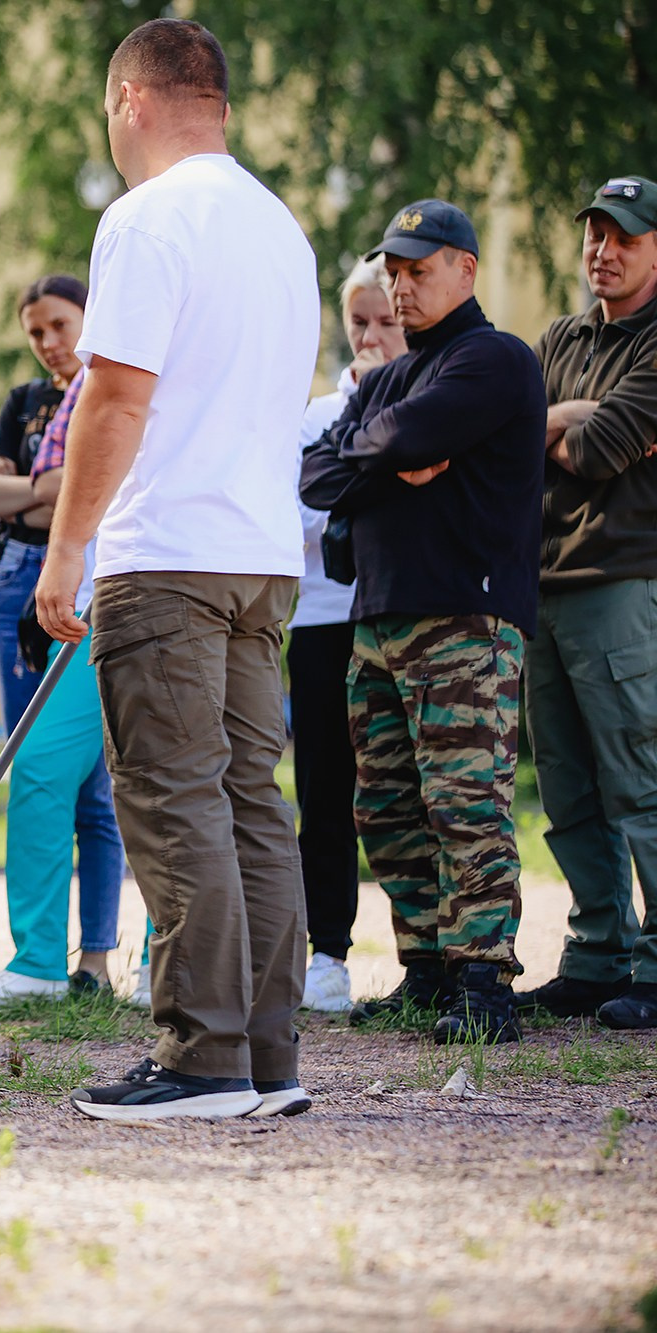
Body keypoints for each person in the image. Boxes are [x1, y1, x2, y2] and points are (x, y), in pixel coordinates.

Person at [33, 20, 320, 1120]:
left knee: (168, 797)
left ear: (128, 102)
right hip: (259, 555)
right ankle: (262, 1055)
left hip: (169, 557)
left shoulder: (145, 218)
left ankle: (199, 1059)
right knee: (251, 801)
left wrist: (67, 550)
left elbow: (115, 395)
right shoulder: (277, 226)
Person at [300, 200, 547, 1045]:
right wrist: (384, 451)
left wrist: (377, 444)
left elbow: (395, 440)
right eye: (394, 272)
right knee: (390, 809)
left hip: (463, 618)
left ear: (465, 269)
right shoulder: (391, 376)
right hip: (377, 619)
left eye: (419, 270)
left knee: (464, 802)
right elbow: (316, 472)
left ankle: (485, 983)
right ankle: (428, 971)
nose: (402, 288)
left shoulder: (495, 360)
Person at [0, 274, 126, 1003]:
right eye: (36, 332)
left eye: (60, 325)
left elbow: (96, 486)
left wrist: (32, 489)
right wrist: (46, 486)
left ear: (90, 319)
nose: (49, 342)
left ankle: (95, 959)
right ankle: (38, 961)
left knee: (101, 790)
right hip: (25, 585)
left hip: (98, 584)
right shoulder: (28, 402)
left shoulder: (114, 387)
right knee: (37, 770)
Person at [518, 178, 657, 1030]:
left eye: (625, 237)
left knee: (639, 781)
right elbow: (512, 441)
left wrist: (564, 422)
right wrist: (565, 417)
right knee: (569, 790)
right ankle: (597, 952)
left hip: (622, 584)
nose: (603, 250)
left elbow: (602, 449)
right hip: (546, 585)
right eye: (594, 234)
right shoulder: (559, 338)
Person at [290, 257, 408, 1013]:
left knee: (406, 791)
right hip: (325, 617)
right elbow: (297, 514)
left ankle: (425, 954)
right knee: (326, 789)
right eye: (359, 321)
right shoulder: (313, 417)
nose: (369, 336)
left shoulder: (437, 400)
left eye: (385, 322)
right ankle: (327, 951)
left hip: (404, 611)